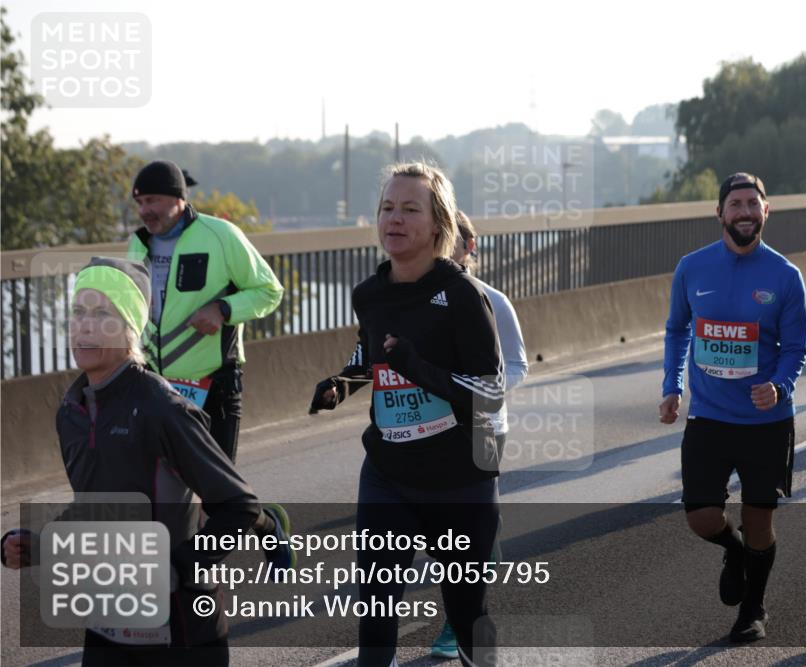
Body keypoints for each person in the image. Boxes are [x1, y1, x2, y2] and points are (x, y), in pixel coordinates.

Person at [2, 257, 262, 666]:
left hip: (182, 629)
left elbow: (241, 507)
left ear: (130, 328)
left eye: (103, 313)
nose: (84, 325)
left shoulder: (162, 408)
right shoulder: (72, 411)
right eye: (77, 312)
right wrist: (38, 546)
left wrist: (176, 566)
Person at [309, 162, 505, 667]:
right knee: (375, 611)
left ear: (438, 224)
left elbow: (488, 392)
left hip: (460, 479)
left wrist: (415, 366)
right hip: (389, 475)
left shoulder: (463, 296)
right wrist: (341, 383)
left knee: (467, 617)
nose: (394, 219)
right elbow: (370, 355)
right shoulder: (369, 295)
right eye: (387, 208)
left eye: (410, 209)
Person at [659, 172, 806, 642]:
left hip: (766, 421)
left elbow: (796, 347)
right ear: (720, 213)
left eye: (752, 204)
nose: (744, 212)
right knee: (701, 517)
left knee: (760, 519)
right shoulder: (692, 267)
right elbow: (677, 330)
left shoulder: (786, 275)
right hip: (708, 416)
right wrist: (672, 385)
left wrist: (780, 386)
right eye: (735, 204)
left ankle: (753, 609)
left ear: (766, 212)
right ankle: (735, 549)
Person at [126, 161, 293, 573]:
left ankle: (266, 523)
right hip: (156, 386)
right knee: (161, 495)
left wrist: (224, 308)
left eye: (154, 200)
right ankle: (177, 584)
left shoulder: (220, 235)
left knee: (219, 496)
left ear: (179, 200)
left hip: (214, 383)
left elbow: (269, 290)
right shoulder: (138, 245)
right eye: (140, 202)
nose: (146, 210)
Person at [429, 211, 529, 659]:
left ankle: (457, 625)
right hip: (432, 432)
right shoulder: (420, 302)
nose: (448, 247)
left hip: (485, 428)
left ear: (470, 246)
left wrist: (481, 396)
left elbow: (519, 364)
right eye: (441, 237)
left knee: (466, 533)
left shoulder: (493, 300)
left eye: (456, 240)